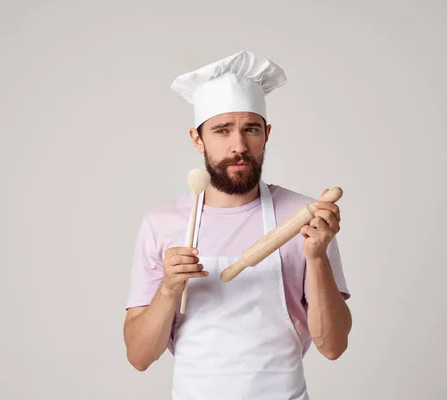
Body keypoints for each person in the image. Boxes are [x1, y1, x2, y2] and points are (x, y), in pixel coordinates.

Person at [123, 50, 352, 400]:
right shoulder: (162, 224)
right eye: (222, 130)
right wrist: (169, 288)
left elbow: (333, 346)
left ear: (267, 134)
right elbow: (139, 357)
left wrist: (317, 257)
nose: (239, 146)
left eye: (251, 129)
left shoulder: (304, 217)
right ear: (197, 139)